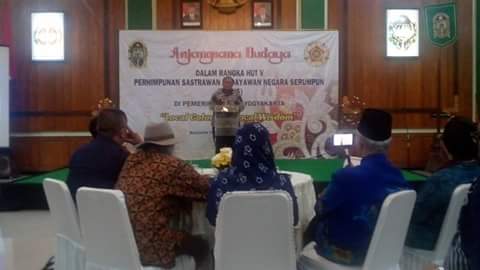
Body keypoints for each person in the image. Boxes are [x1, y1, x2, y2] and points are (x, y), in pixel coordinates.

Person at [305, 108, 410, 266]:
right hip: (382, 253)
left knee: (312, 225)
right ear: (389, 144)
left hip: (349, 254)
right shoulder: (399, 177)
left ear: (359, 142)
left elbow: (320, 208)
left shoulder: (347, 177)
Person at [116, 122, 210, 269]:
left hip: (125, 240)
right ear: (168, 146)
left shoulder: (131, 160)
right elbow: (205, 189)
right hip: (151, 245)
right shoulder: (172, 165)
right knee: (202, 246)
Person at [406, 117, 480, 251]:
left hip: (431, 246)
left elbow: (415, 217)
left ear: (446, 146)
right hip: (467, 246)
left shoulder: (441, 180)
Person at [206, 122, 299, 226]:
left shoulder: (221, 183)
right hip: (272, 242)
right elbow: (294, 220)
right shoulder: (283, 184)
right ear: (266, 147)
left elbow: (213, 219)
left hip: (234, 242)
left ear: (237, 146)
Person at [66, 109, 142, 198]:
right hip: (105, 209)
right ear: (122, 132)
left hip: (76, 208)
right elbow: (143, 177)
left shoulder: (78, 152)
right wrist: (140, 144)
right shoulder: (121, 156)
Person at [209, 76, 244, 153]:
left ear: (232, 84)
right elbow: (211, 106)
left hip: (233, 127)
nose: (227, 84)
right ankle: (220, 165)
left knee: (233, 148)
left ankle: (233, 164)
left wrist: (225, 108)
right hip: (220, 127)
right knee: (219, 148)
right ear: (222, 83)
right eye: (226, 82)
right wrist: (227, 109)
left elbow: (242, 107)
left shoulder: (237, 95)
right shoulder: (216, 95)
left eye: (229, 82)